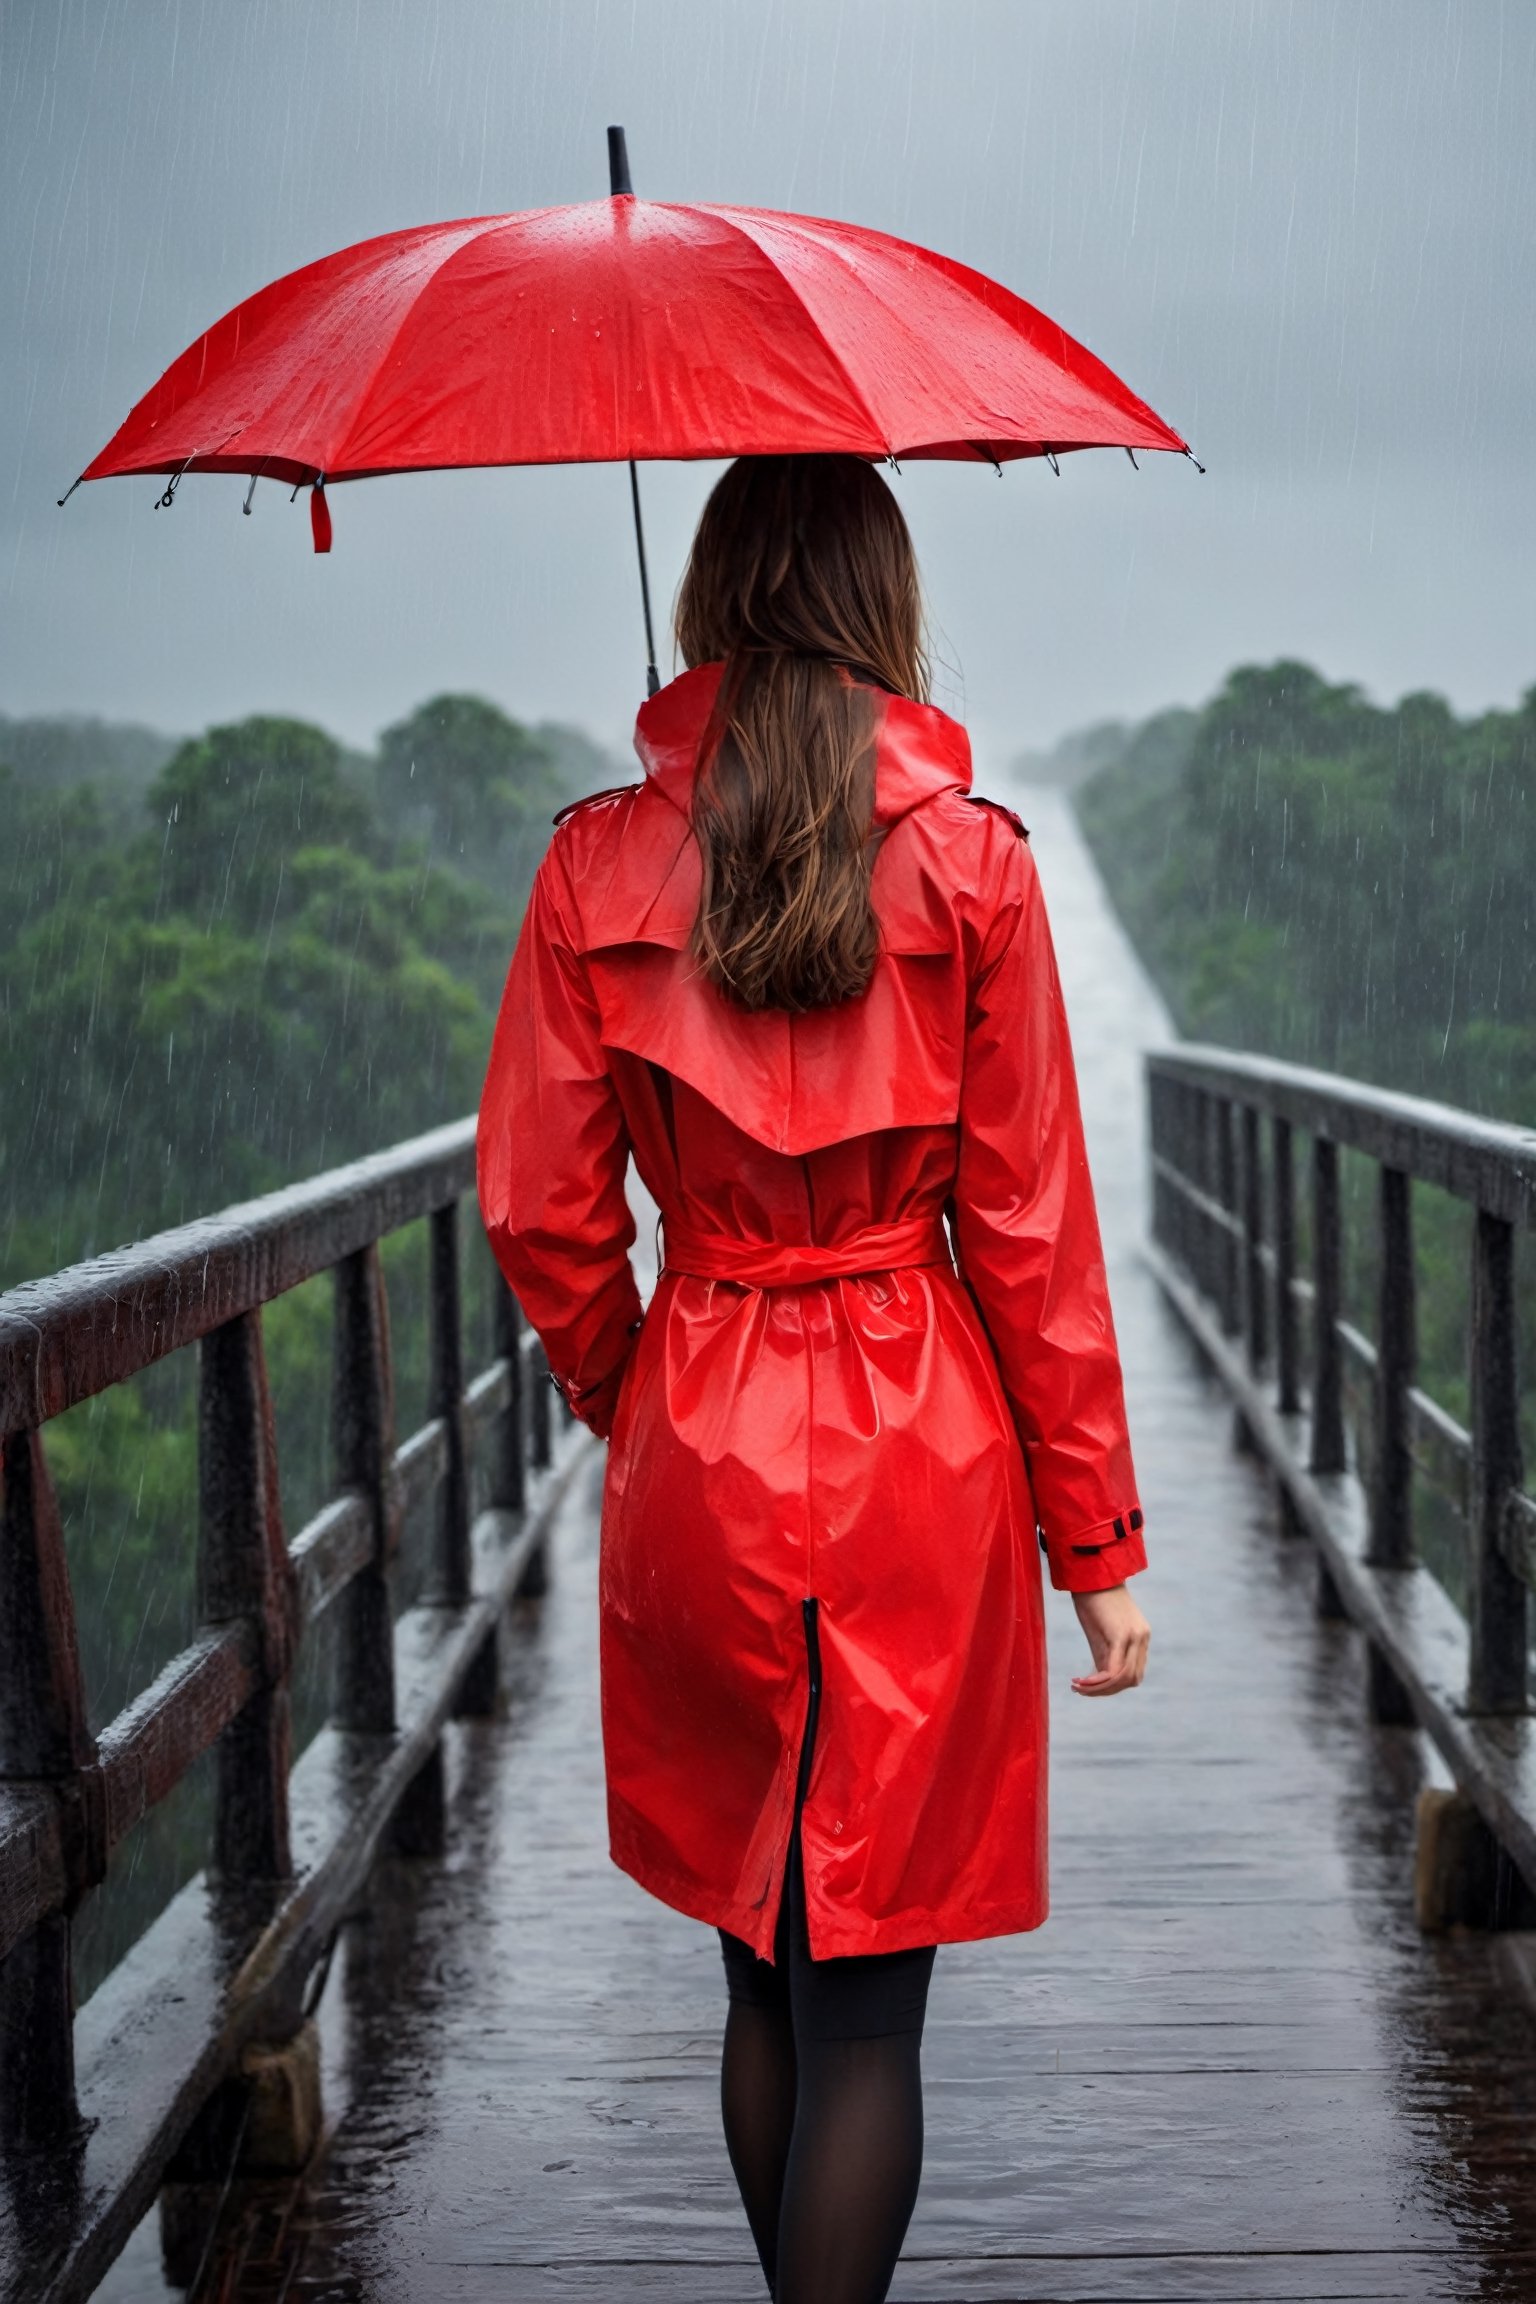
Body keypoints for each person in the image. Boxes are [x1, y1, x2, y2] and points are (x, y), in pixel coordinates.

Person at [477, 453, 1150, 2304]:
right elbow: (1031, 1235)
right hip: (920, 1447)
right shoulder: (979, 864)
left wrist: (640, 1397)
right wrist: (1095, 1542)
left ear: (704, 599)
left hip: (698, 1421)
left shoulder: (595, 860)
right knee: (872, 2019)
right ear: (883, 602)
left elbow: (536, 1205)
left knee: (758, 1963)